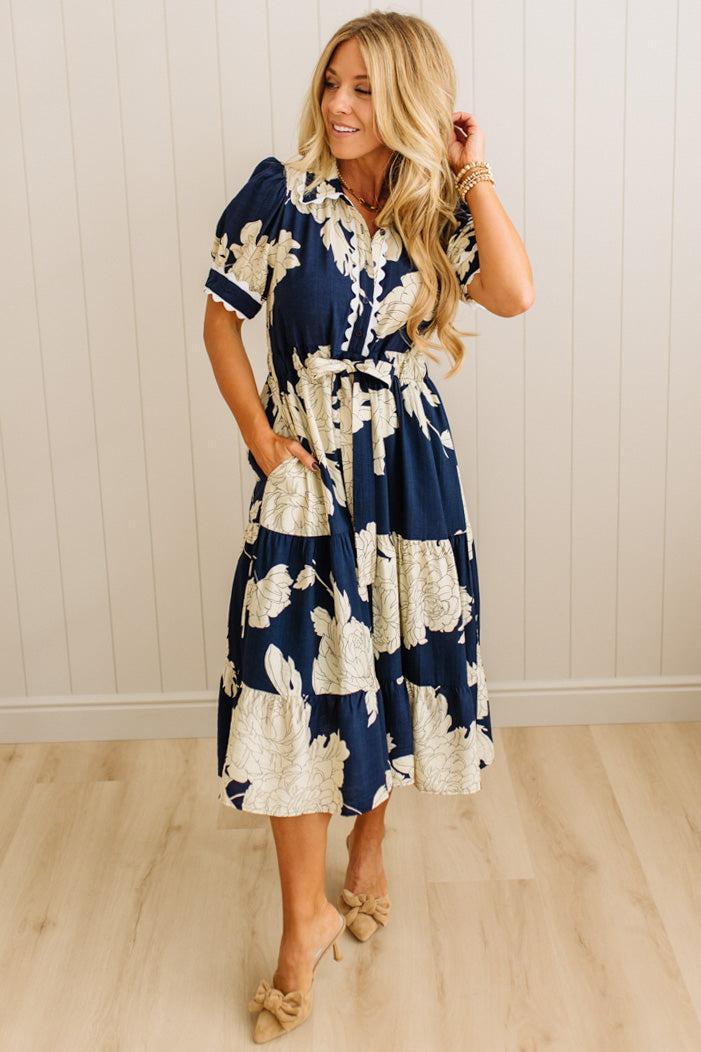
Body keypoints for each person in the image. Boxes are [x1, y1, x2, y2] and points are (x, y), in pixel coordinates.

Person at [202, 10, 534, 1044]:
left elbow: (515, 292)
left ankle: (371, 846)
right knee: (293, 683)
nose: (338, 107)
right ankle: (301, 920)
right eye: (331, 84)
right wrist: (262, 441)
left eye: (362, 89)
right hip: (305, 470)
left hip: (407, 474)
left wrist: (471, 170)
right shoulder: (279, 194)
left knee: (387, 658)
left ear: (404, 102)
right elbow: (220, 319)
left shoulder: (432, 209)